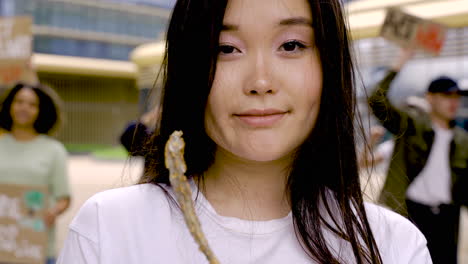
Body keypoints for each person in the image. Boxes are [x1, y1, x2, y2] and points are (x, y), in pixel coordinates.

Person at [58, 0, 431, 263]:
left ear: (328, 66)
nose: (260, 81)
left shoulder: (391, 246)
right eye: (226, 49)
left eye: (291, 45)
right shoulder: (108, 230)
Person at [368, 48, 468, 264]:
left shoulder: (462, 140)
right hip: (412, 211)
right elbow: (376, 101)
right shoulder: (411, 126)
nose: (453, 101)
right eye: (446, 95)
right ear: (429, 98)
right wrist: (399, 64)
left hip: (448, 216)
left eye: (457, 96)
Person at [0, 82, 71, 264]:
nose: (24, 108)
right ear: (9, 105)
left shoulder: (54, 150)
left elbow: (64, 198)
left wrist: (53, 211)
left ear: (42, 111)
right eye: (19, 101)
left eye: (32, 104)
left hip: (34, 248)